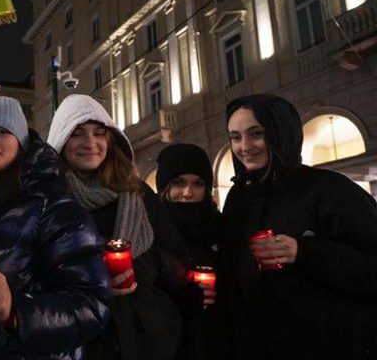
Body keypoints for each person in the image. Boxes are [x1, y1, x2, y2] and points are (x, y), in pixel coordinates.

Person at [0, 97, 111, 359]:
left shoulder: (55, 208)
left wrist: (16, 309)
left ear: (22, 143)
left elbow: (92, 304)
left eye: (3, 131)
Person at [217, 94, 377, 359]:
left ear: (281, 133)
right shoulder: (238, 199)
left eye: (256, 133)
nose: (244, 146)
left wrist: (305, 252)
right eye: (235, 137)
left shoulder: (330, 190)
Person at [48, 94, 196, 360]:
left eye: (99, 133)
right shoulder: (49, 201)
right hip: (83, 342)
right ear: (60, 140)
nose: (90, 143)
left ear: (110, 139)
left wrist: (144, 263)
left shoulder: (138, 193)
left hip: (148, 341)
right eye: (77, 133)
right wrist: (91, 273)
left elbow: (181, 264)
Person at [155, 143, 220, 359]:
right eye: (178, 183)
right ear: (165, 188)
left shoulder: (223, 229)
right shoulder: (150, 232)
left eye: (198, 184)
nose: (188, 193)